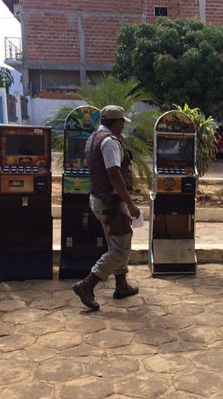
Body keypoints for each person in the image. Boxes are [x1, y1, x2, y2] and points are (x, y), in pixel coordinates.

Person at [72, 105, 141, 311]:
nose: (123, 127)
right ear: (117, 122)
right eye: (122, 123)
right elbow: (114, 174)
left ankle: (121, 286)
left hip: (98, 199)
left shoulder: (93, 138)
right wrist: (130, 203)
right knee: (120, 249)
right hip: (112, 203)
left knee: (116, 244)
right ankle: (87, 285)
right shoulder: (110, 142)